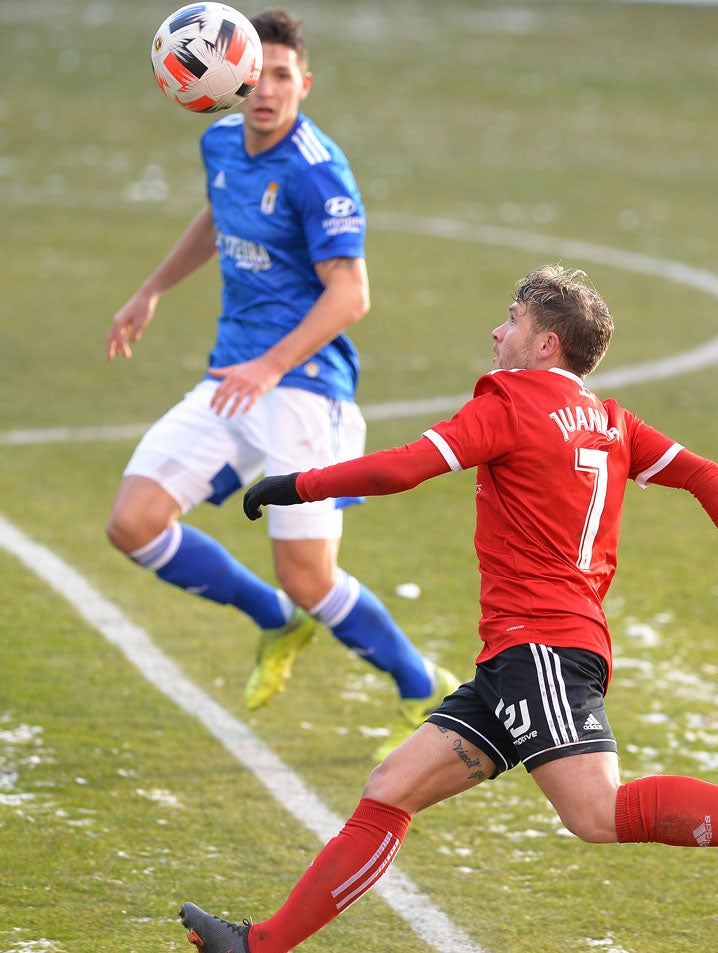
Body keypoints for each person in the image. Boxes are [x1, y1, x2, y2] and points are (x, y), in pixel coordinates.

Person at [179, 264, 718, 953]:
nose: (496, 331)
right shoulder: (611, 421)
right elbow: (706, 474)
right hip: (530, 653)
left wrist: (297, 484)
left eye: (509, 319)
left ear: (545, 342)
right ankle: (255, 950)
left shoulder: (509, 403)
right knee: (391, 789)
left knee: (596, 812)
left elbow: (404, 469)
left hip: (539, 646)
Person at [104, 9, 456, 745]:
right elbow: (218, 213)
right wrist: (152, 289)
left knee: (310, 574)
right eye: (255, 74)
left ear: (305, 82)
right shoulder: (220, 140)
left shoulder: (317, 173)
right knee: (132, 524)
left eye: (282, 76)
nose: (266, 89)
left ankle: (421, 686)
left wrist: (271, 366)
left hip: (303, 389)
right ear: (231, 78)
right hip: (233, 379)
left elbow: (351, 294)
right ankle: (275, 621)